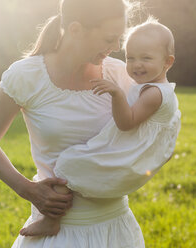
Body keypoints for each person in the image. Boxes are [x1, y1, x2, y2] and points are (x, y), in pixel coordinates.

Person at [0, 0, 145, 247]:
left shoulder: (120, 74)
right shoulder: (26, 76)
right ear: (75, 29)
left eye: (119, 39)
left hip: (115, 228)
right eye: (109, 39)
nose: (116, 47)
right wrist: (28, 190)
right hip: (57, 233)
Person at [19, 19, 181, 237]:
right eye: (130, 58)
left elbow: (126, 123)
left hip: (130, 147)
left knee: (69, 163)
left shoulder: (153, 93)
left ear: (167, 62)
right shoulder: (155, 88)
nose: (136, 64)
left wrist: (116, 94)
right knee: (80, 165)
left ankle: (50, 220)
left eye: (146, 58)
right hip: (134, 146)